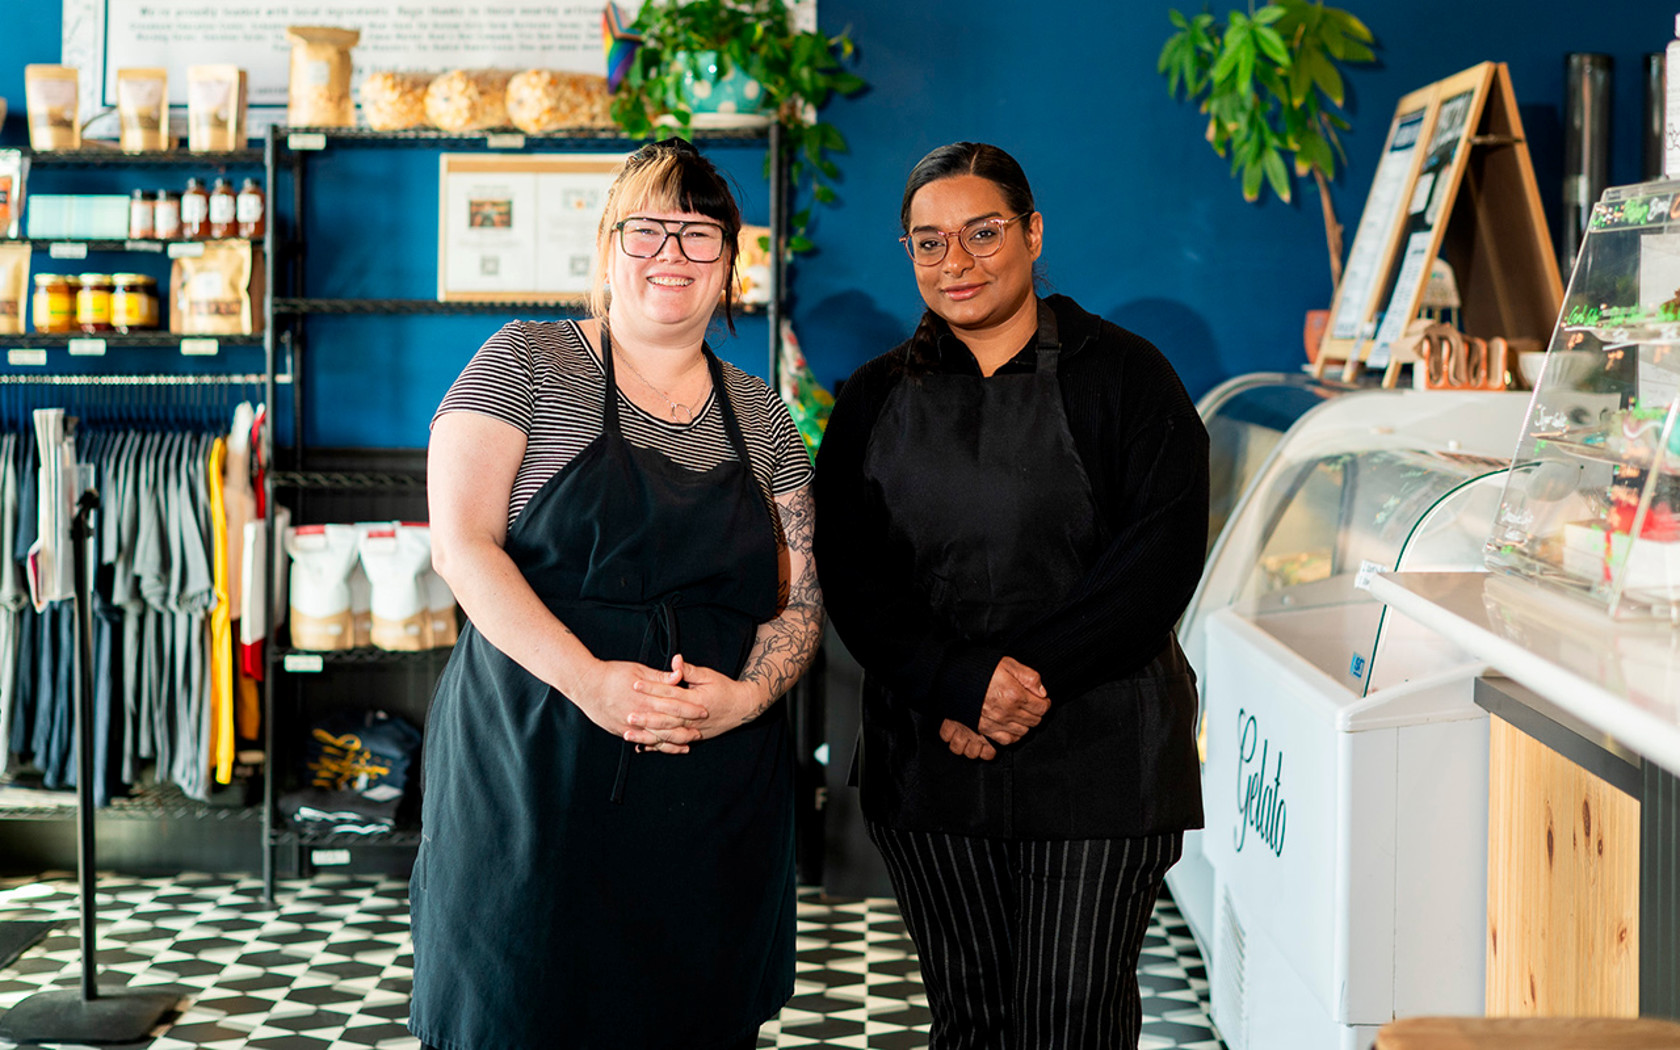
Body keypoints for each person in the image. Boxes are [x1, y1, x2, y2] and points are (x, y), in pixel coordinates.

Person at [412, 138, 823, 1050]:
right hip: (536, 774)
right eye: (646, 230)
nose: (671, 253)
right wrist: (592, 681)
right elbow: (463, 548)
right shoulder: (525, 362)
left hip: (713, 792)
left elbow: (802, 599)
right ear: (606, 249)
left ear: (729, 263)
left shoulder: (760, 413)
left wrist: (746, 697)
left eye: (698, 234)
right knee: (523, 1011)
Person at [813, 141, 1208, 1050]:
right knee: (973, 1021)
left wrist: (1015, 682)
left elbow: (1158, 562)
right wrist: (959, 686)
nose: (956, 261)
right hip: (933, 758)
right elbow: (856, 576)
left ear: (1031, 233)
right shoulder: (873, 397)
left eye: (982, 233)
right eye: (929, 242)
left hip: (1100, 755)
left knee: (1073, 1020)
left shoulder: (1127, 376)